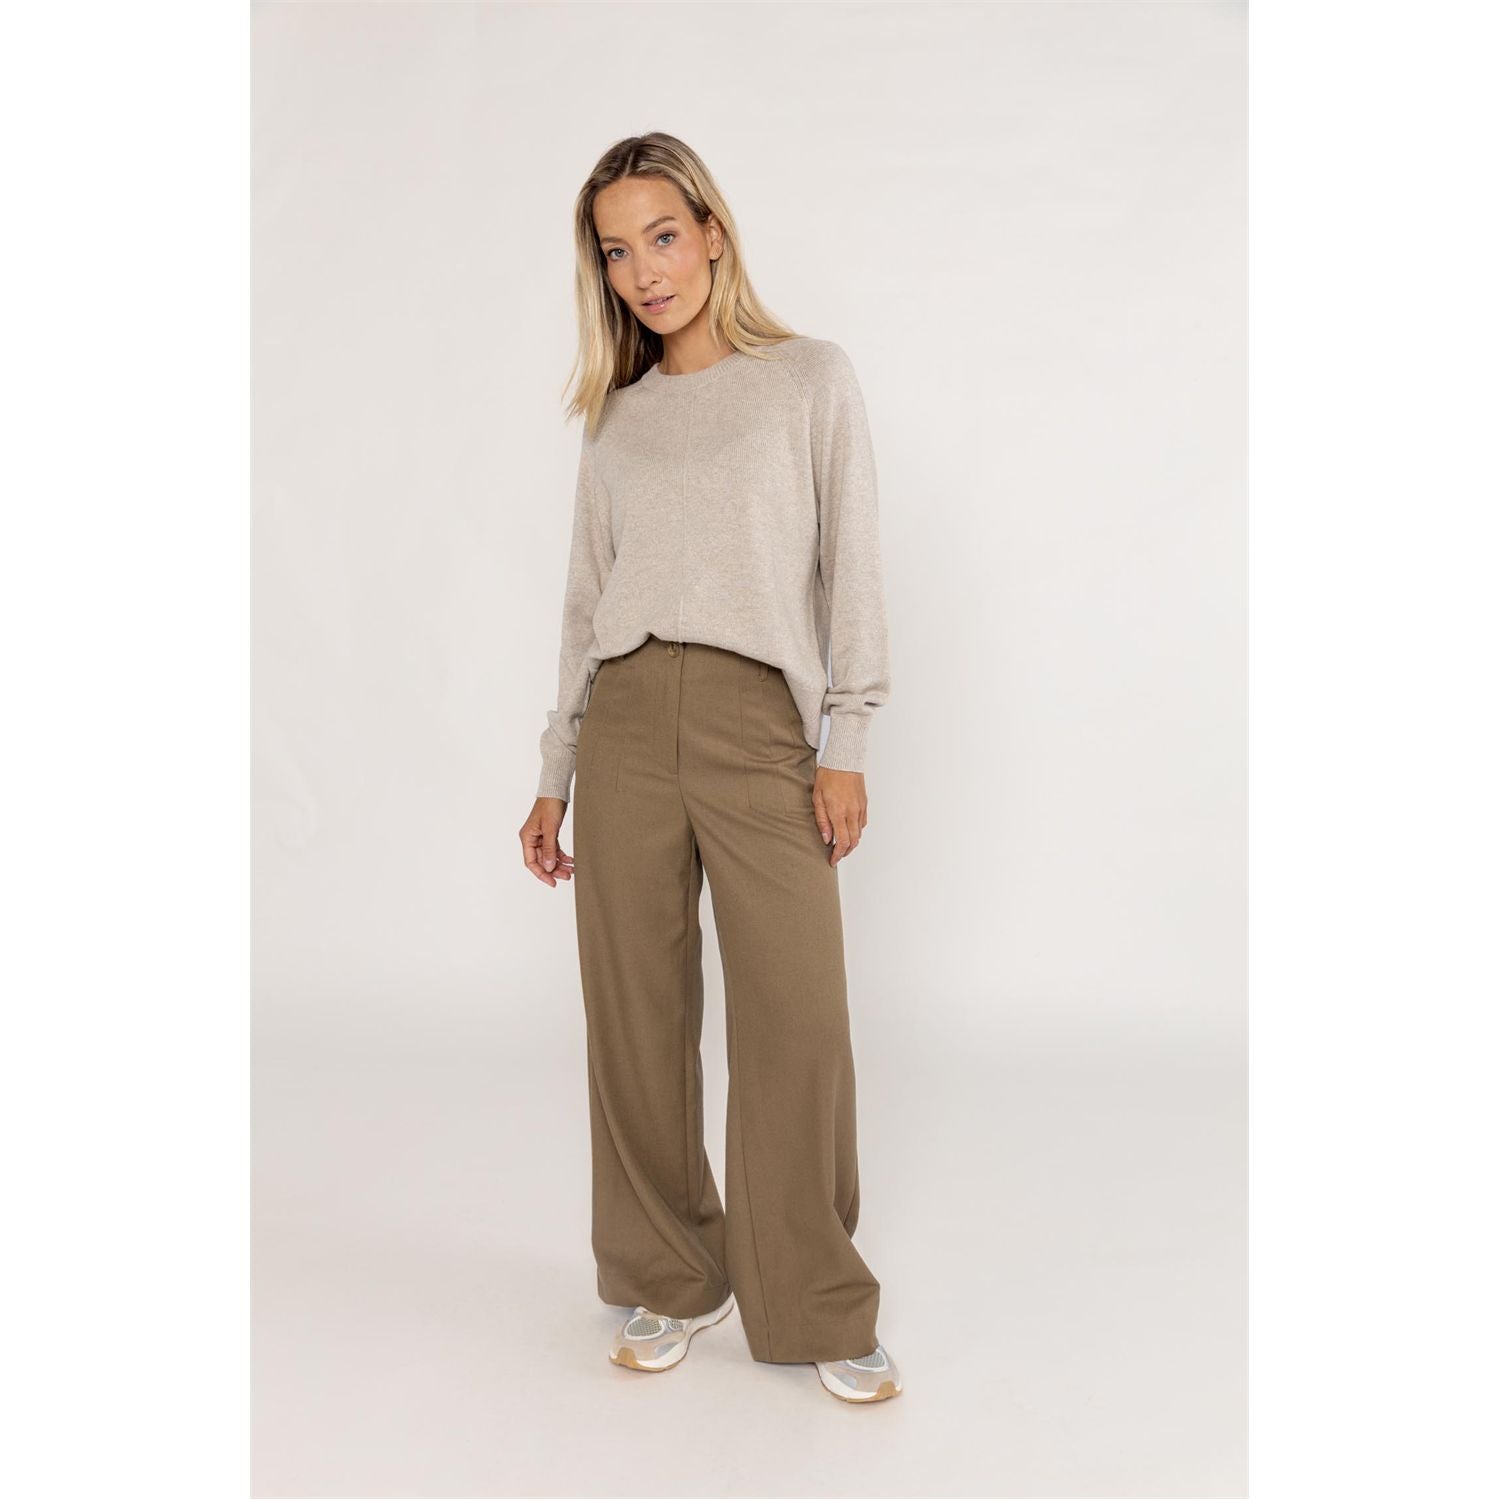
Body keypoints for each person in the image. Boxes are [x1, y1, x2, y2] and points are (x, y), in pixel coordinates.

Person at [519, 132, 900, 1405]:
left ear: (714, 233)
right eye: (616, 251)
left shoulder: (808, 381)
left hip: (757, 726)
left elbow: (852, 570)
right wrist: (556, 772)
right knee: (635, 1018)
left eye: (663, 236)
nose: (644, 271)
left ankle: (813, 1296)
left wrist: (847, 742)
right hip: (625, 724)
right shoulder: (618, 418)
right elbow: (585, 605)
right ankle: (672, 1275)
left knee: (799, 1018)